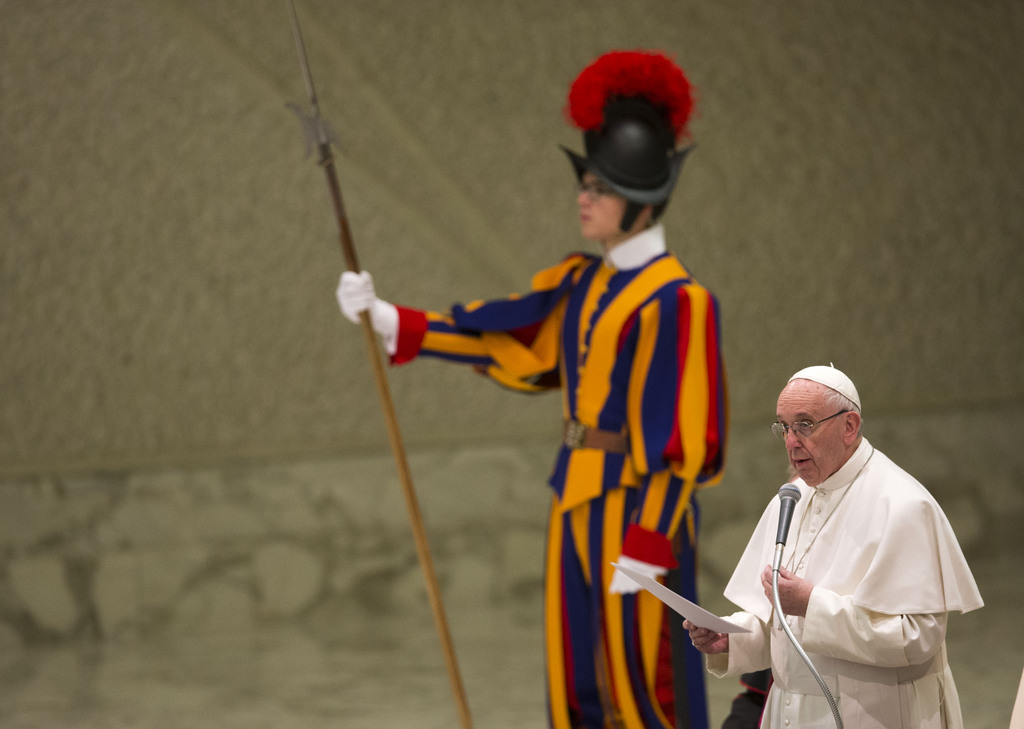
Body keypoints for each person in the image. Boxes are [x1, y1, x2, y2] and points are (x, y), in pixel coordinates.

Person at [336, 50, 728, 729]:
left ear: (638, 202)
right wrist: (389, 319)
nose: (584, 195)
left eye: (599, 187)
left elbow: (684, 443)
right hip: (573, 494)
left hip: (637, 512)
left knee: (640, 684)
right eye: (585, 181)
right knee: (574, 676)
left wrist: (647, 543)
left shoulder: (679, 300)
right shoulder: (585, 281)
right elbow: (514, 345)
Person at [685, 365, 984, 728]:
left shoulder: (903, 505)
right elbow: (781, 623)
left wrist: (811, 604)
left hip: (874, 714)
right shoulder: (792, 498)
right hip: (790, 712)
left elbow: (916, 638)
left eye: (805, 425)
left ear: (849, 426)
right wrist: (730, 639)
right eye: (784, 426)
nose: (791, 442)